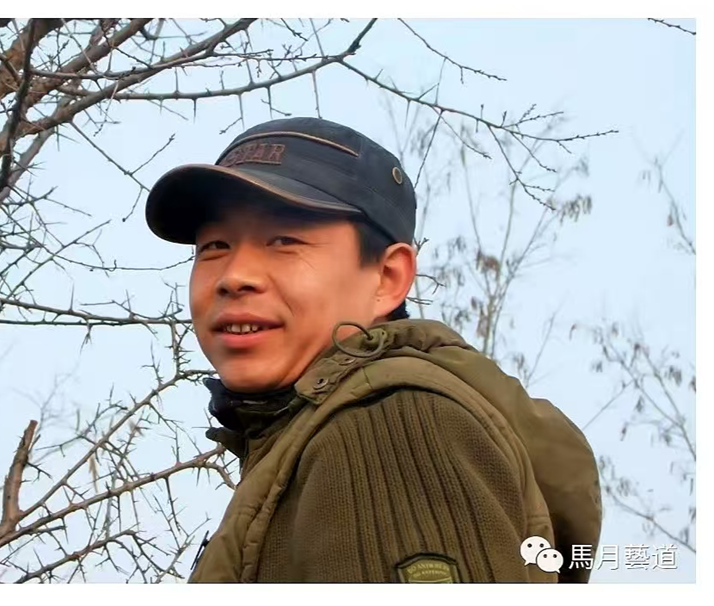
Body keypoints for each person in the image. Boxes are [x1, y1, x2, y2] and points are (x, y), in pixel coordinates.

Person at [144, 117, 602, 583]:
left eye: (283, 241)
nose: (234, 276)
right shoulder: (304, 437)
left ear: (387, 278)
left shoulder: (389, 422)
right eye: (215, 246)